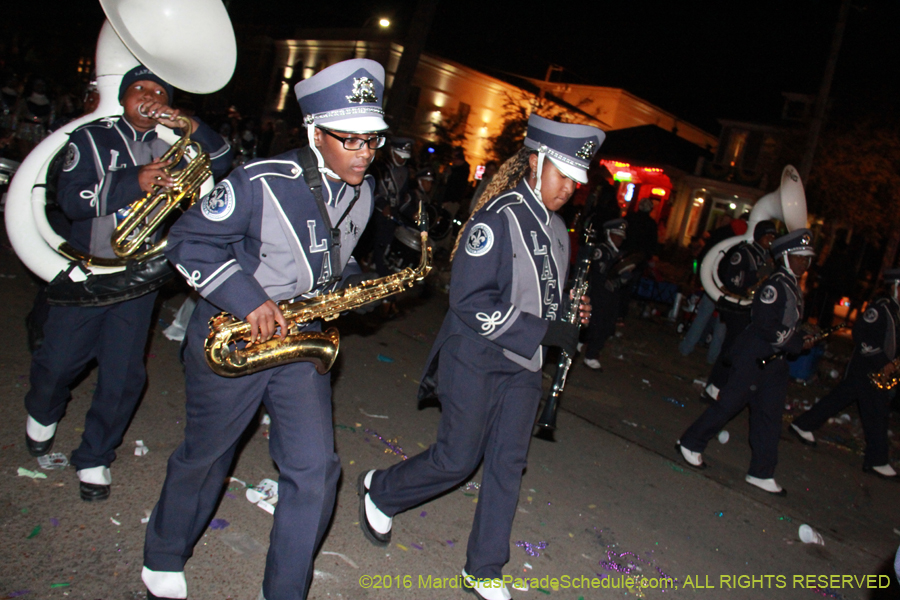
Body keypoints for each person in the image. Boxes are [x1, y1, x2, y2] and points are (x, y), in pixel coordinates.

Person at [141, 58, 389, 600]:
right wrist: (250, 300)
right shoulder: (258, 182)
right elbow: (188, 243)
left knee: (317, 470)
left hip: (300, 343)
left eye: (373, 141)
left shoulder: (364, 192)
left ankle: (284, 590)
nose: (365, 153)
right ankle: (164, 551)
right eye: (351, 140)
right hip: (235, 335)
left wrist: (357, 286)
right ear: (315, 132)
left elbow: (333, 260)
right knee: (208, 454)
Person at [357, 113, 597, 600]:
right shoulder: (497, 217)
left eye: (577, 181)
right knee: (458, 458)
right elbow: (468, 301)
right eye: (564, 175)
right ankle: (381, 489)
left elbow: (541, 293)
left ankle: (485, 568)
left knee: (509, 462)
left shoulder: (556, 230)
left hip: (524, 363)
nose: (570, 188)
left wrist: (571, 313)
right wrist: (544, 330)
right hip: (476, 354)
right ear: (536, 163)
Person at [22, 64, 231, 501]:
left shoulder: (172, 145)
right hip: (87, 274)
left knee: (123, 376)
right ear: (123, 96)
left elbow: (224, 159)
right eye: (141, 88)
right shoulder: (91, 138)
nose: (151, 96)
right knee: (58, 362)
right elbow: (72, 201)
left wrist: (189, 125)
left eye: (159, 91)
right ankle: (43, 411)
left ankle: (96, 455)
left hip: (138, 281)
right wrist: (132, 181)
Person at [676, 229, 816, 496]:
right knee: (729, 404)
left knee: (769, 417)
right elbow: (765, 324)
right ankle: (690, 442)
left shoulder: (791, 285)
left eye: (807, 258)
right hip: (755, 357)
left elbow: (785, 324)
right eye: (799, 257)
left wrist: (801, 337)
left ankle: (762, 472)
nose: (804, 263)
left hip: (774, 362)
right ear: (785, 257)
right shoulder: (775, 285)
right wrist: (795, 342)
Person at [790, 268, 900, 480]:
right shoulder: (882, 308)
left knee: (841, 399)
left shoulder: (895, 311)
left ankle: (802, 424)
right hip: (867, 367)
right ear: (895, 287)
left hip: (878, 371)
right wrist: (883, 361)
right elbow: (861, 334)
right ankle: (877, 460)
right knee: (877, 413)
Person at [703, 220, 777, 400]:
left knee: (740, 350)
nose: (771, 239)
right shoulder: (745, 252)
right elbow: (733, 279)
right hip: (738, 308)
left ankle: (721, 386)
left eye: (773, 236)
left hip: (751, 309)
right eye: (768, 235)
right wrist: (757, 275)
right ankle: (714, 387)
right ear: (759, 236)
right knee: (732, 349)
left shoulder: (767, 256)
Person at [581, 218, 628, 370]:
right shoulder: (602, 250)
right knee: (598, 325)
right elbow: (600, 275)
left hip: (610, 296)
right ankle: (590, 355)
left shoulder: (616, 253)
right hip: (599, 294)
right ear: (608, 234)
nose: (619, 239)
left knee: (606, 325)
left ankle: (582, 343)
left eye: (621, 236)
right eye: (616, 235)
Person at [369, 136, 413, 276]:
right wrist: (383, 205)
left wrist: (412, 213)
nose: (402, 160)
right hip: (377, 215)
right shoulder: (380, 168)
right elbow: (372, 190)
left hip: (393, 215)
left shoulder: (405, 172)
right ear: (392, 151)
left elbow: (403, 197)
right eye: (399, 156)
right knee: (378, 245)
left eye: (404, 157)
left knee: (387, 248)